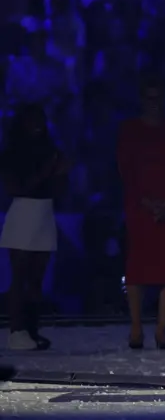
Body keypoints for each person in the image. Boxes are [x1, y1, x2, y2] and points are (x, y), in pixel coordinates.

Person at [117, 76, 165, 350]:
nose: (153, 104)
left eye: (157, 98)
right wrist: (146, 202)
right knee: (137, 268)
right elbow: (126, 170)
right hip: (139, 208)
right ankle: (136, 328)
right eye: (148, 98)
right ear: (141, 100)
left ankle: (162, 329)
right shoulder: (129, 130)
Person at [0, 104, 70, 350]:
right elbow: (15, 188)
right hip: (23, 213)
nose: (38, 125)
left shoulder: (50, 151)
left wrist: (61, 174)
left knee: (37, 280)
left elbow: (59, 191)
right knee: (20, 276)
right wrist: (47, 172)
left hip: (44, 213)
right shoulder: (11, 154)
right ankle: (16, 331)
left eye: (41, 119)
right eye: (32, 120)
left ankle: (31, 330)